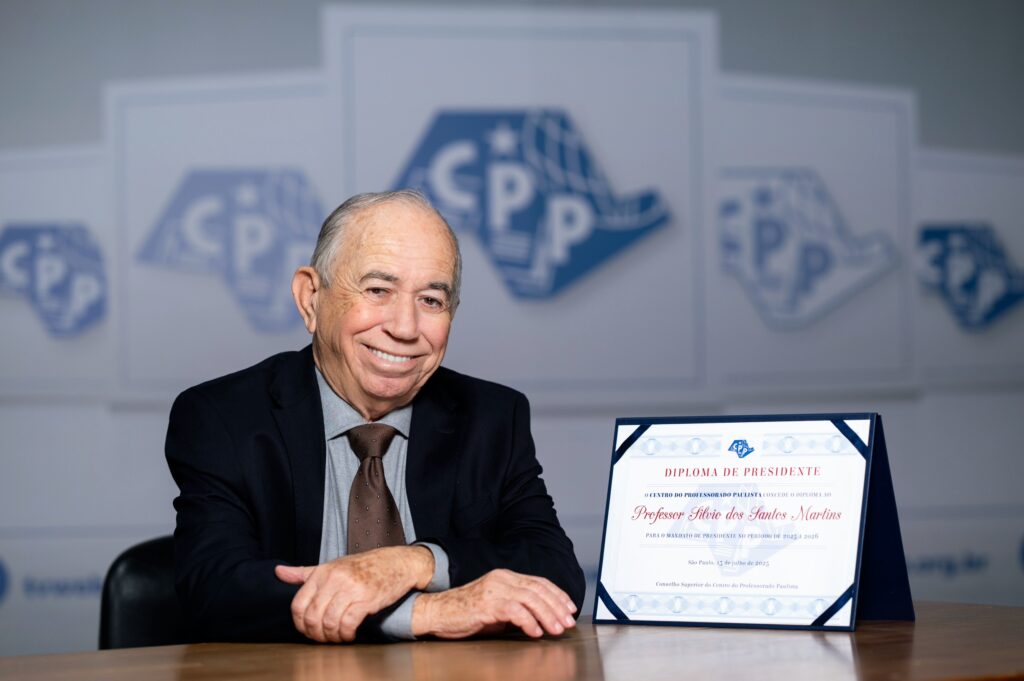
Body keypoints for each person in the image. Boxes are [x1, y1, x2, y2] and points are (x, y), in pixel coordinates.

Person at [165, 189, 585, 643]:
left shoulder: (492, 418)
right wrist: (429, 612)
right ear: (310, 299)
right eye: (378, 290)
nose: (404, 328)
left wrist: (413, 563)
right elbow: (215, 592)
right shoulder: (223, 417)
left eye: (431, 300)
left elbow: (556, 576)